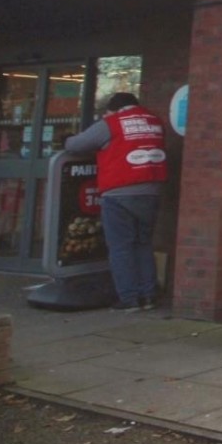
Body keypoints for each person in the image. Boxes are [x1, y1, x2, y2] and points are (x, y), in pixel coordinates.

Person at [65, 92, 168, 312]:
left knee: (121, 247)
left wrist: (67, 138)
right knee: (143, 244)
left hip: (118, 193)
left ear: (114, 109)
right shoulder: (154, 121)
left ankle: (129, 299)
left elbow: (75, 145)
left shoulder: (111, 123)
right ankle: (148, 296)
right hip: (151, 191)